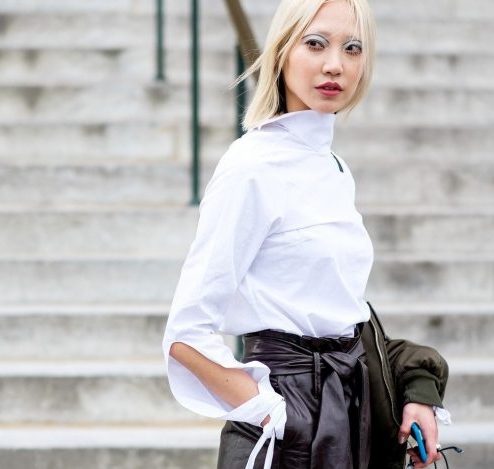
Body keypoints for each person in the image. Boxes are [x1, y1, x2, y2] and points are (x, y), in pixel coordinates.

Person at [162, 1, 449, 468]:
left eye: (352, 48)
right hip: (284, 435)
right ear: (281, 54)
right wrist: (274, 412)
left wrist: (414, 392)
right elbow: (185, 336)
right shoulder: (251, 166)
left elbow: (342, 313)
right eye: (315, 44)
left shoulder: (333, 167)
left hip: (349, 418)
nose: (335, 64)